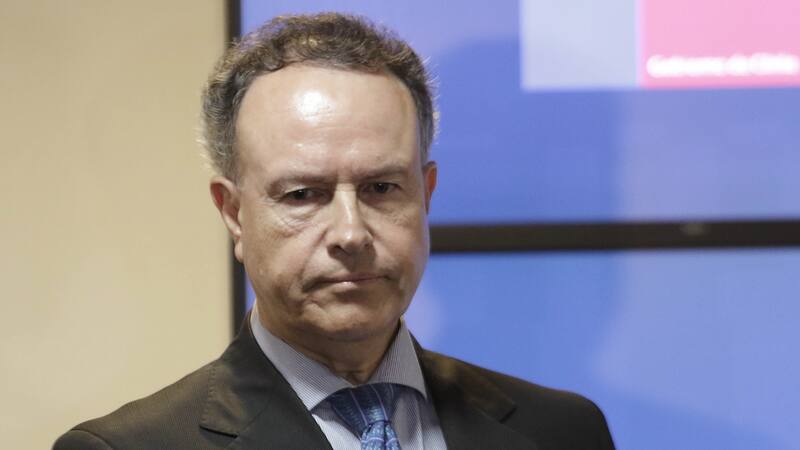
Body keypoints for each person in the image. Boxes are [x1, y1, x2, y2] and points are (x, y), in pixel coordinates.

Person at [54, 13, 615, 450]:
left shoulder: (563, 430)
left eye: (381, 188)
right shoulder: (127, 447)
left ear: (426, 194)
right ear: (234, 214)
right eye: (303, 194)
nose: (351, 233)